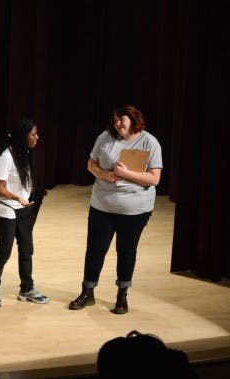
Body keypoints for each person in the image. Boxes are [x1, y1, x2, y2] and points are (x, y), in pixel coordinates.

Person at [70, 106, 163, 314]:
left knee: (126, 251)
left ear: (133, 119)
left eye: (122, 119)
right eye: (115, 120)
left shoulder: (149, 142)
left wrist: (126, 174)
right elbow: (91, 164)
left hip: (134, 209)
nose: (118, 124)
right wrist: (105, 175)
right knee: (95, 249)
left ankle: (122, 295)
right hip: (102, 205)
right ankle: (87, 292)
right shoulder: (104, 138)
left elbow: (154, 178)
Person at [0, 118, 49, 307]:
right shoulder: (5, 157)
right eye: (33, 134)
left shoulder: (25, 153)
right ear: (23, 136)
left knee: (26, 249)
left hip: (22, 206)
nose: (37, 137)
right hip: (6, 208)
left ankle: (27, 289)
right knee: (5, 250)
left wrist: (29, 195)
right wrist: (17, 197)